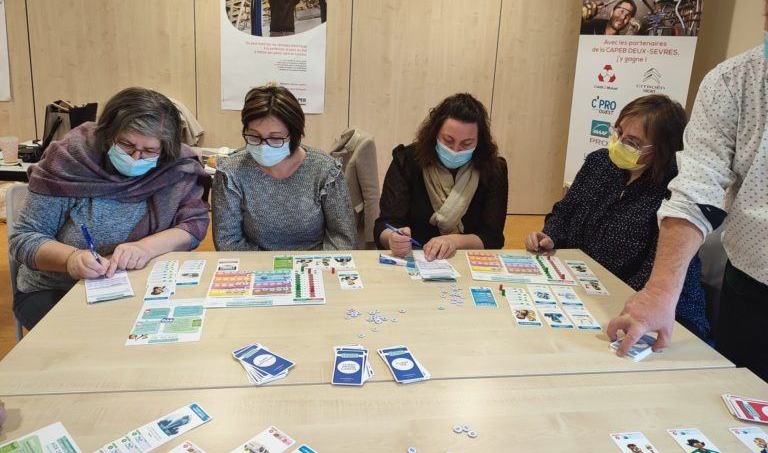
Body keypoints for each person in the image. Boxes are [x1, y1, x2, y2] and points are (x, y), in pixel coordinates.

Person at [608, 0, 768, 380]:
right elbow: (699, 184)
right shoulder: (734, 81)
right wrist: (661, 292)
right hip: (753, 282)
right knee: (743, 402)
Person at [9, 87, 210, 330]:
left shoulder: (176, 166)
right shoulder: (69, 161)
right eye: (126, 145)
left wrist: (145, 248)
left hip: (143, 288)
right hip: (57, 289)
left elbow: (193, 225)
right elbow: (24, 238)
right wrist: (71, 260)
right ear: (107, 134)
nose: (136, 158)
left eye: (149, 151)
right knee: (94, 344)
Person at [526, 95, 709, 340]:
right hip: (587, 288)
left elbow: (650, 274)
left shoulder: (676, 190)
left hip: (656, 312)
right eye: (618, 133)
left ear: (663, 150)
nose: (619, 144)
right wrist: (550, 236)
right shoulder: (599, 163)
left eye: (632, 142)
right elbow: (565, 210)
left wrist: (598, 300)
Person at [212, 85, 357, 251]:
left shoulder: (325, 170)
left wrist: (317, 267)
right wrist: (269, 271)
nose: (263, 145)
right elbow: (227, 242)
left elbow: (343, 238)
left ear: (294, 134)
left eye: (275, 138)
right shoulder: (230, 173)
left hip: (314, 265)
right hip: (255, 267)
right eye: (254, 136)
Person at [374, 93, 508, 261]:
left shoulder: (494, 170)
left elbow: (492, 237)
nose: (456, 150)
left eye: (467, 144)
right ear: (435, 133)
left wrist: (453, 241)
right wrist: (392, 239)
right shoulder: (407, 161)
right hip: (415, 259)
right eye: (448, 140)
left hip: (465, 260)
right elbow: (384, 225)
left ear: (479, 142)